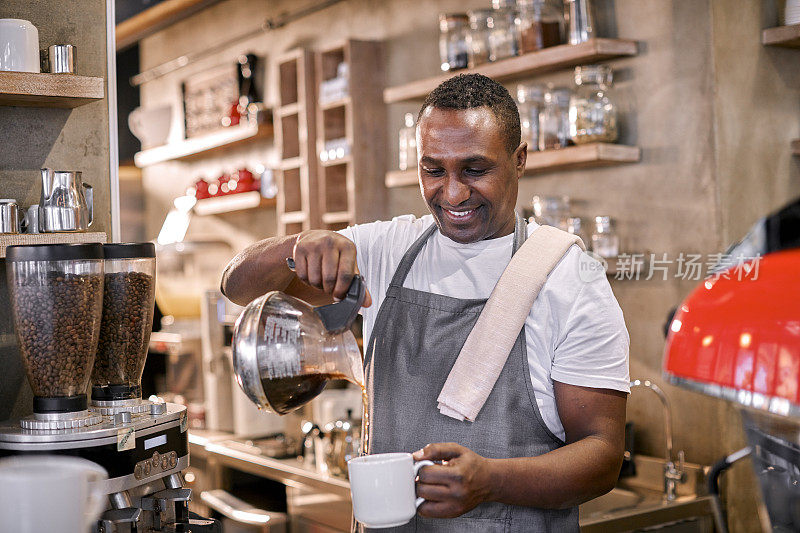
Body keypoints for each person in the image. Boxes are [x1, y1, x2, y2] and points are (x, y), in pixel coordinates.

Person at [221, 73, 629, 532]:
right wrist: (299, 245)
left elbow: (602, 455)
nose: (452, 193)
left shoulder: (570, 279)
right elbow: (237, 286)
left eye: (475, 169)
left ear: (519, 161)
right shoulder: (385, 250)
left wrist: (492, 480)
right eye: (433, 170)